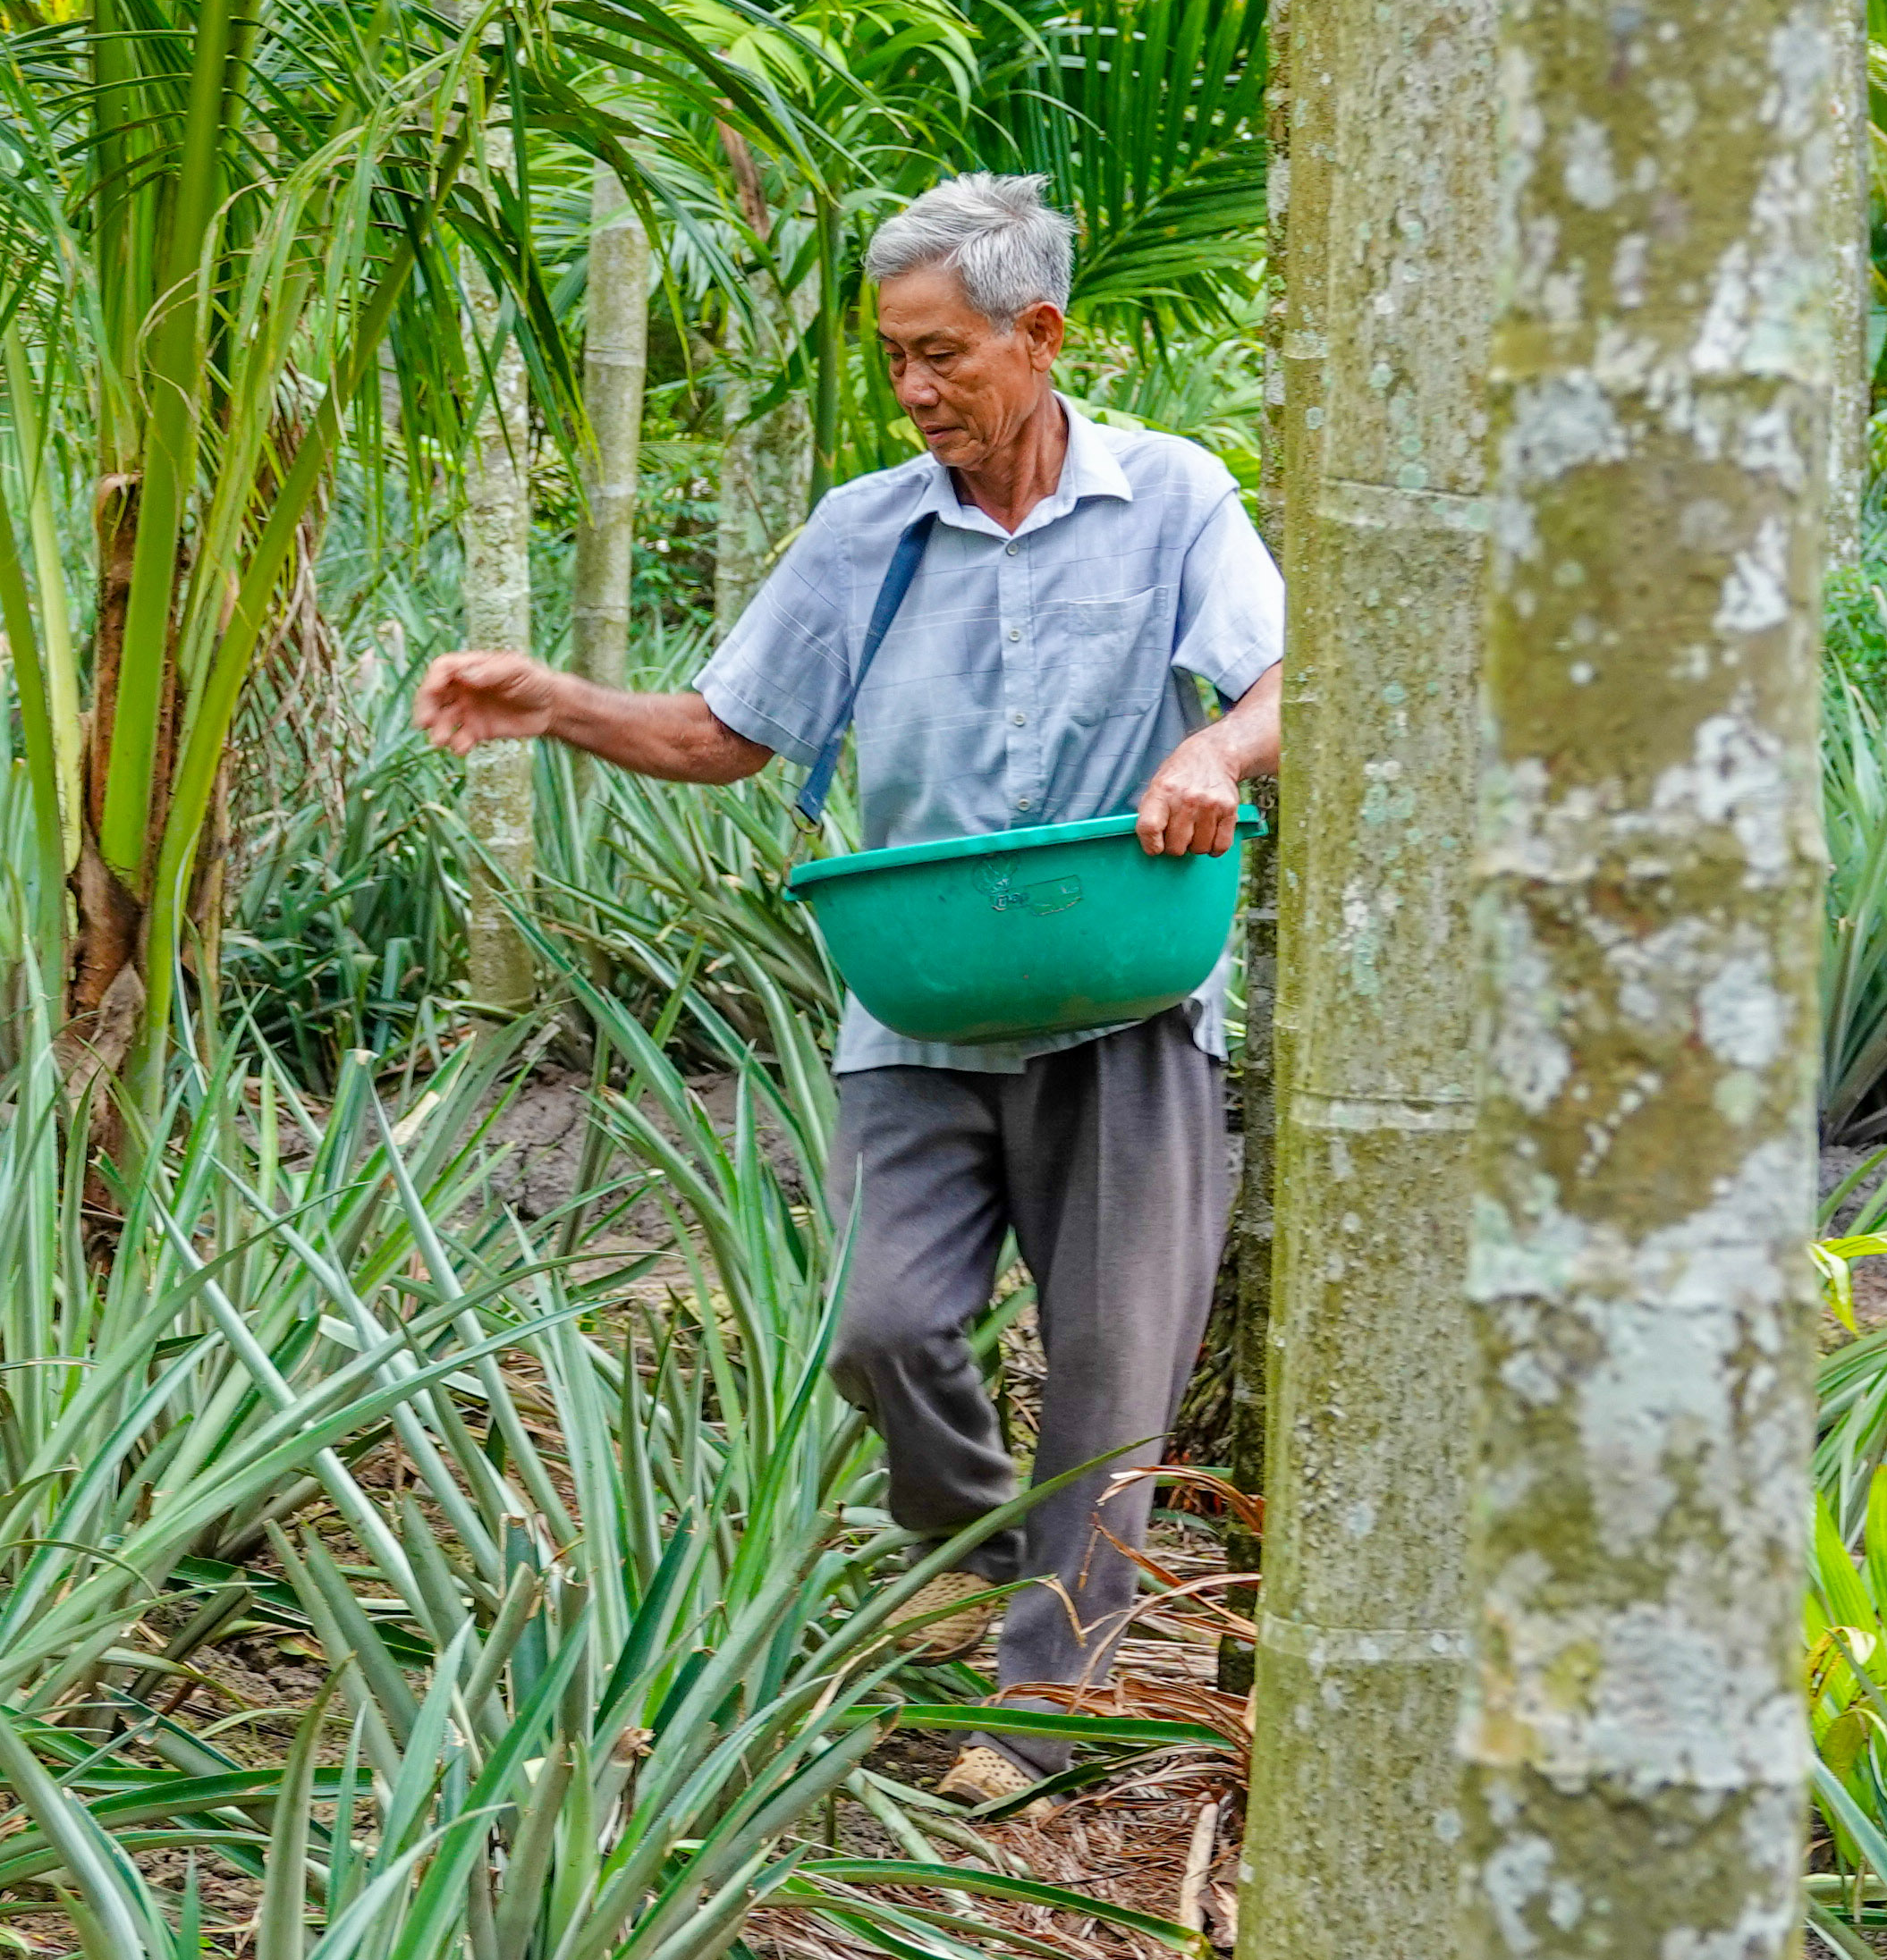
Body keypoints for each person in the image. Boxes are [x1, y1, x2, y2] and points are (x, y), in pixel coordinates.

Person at [412, 173, 1284, 1772]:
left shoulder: (1173, 497)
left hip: (1127, 987)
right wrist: (553, 702)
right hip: (924, 998)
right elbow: (722, 734)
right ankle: (978, 1569)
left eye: (942, 354)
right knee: (880, 1324)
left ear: (1041, 333)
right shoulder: (866, 532)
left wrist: (1218, 748)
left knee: (1112, 1365)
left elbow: (1290, 673)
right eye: (893, 357)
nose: (913, 389)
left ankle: (1041, 1702)